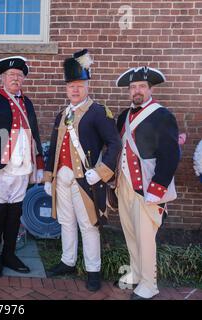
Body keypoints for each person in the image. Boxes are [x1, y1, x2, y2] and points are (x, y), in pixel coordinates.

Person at [43, 49, 121, 291]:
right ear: (66, 88)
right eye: (71, 86)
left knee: (89, 225)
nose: (75, 90)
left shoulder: (98, 111)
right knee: (66, 222)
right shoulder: (61, 115)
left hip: (86, 179)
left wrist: (101, 171)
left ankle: (93, 270)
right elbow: (54, 147)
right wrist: (49, 176)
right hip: (62, 177)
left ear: (87, 86)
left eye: (79, 85)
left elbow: (115, 143)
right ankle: (68, 261)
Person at [0, 56, 45, 277]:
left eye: (19, 75)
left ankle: (10, 254)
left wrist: (39, 163)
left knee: (15, 213)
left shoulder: (27, 102)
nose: (15, 78)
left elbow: (35, 134)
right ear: (3, 78)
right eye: (11, 75)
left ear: (23, 79)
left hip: (23, 167)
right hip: (0, 168)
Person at [115, 66, 180, 300]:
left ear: (150, 89)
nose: (137, 91)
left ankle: (149, 284)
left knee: (145, 237)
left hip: (147, 185)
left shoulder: (163, 115)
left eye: (141, 86)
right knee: (131, 233)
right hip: (124, 184)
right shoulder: (124, 115)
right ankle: (136, 273)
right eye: (133, 87)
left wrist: (158, 187)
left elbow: (171, 154)